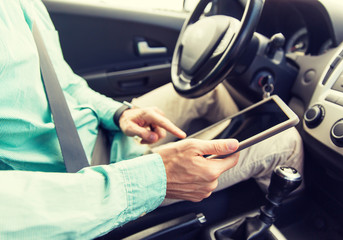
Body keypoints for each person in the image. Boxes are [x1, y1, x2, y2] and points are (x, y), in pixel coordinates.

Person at [0, 0, 303, 239]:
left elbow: (65, 84)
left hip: (98, 135)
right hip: (76, 186)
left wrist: (118, 113)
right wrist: (154, 180)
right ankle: (298, 220)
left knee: (210, 93)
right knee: (284, 142)